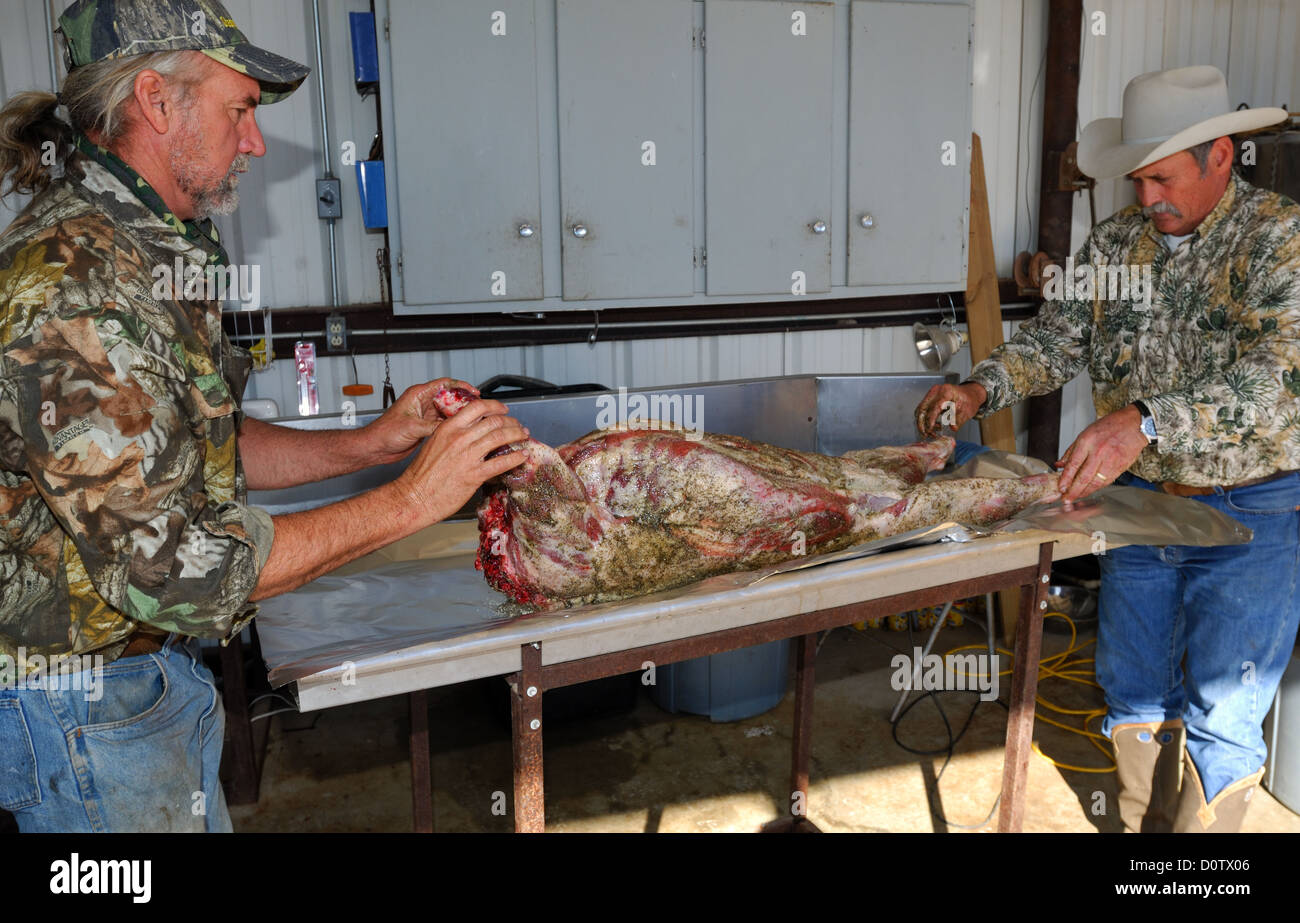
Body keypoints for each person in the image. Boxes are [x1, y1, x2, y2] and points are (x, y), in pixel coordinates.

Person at [0, 0, 527, 832]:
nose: (254, 141)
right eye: (239, 108)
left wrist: (371, 443)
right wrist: (411, 501)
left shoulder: (147, 246)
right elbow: (171, 569)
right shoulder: (74, 287)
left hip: (143, 682)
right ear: (156, 100)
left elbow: (201, 441)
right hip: (82, 711)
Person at [915, 65, 1299, 833]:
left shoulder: (1281, 241)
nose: (1148, 197)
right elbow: (1058, 341)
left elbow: (1280, 376)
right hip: (1141, 507)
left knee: (1224, 710)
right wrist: (979, 390)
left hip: (1254, 511)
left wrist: (1145, 419)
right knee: (1131, 687)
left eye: (1162, 179)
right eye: (1138, 181)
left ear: (1220, 156)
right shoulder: (1119, 241)